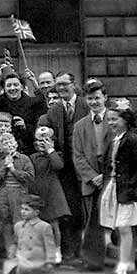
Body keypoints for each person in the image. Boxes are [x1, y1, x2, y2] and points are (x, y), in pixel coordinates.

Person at [99, 98, 137, 274]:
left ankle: (122, 267)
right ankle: (127, 264)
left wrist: (131, 184)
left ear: (126, 120)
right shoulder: (115, 140)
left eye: (115, 119)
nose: (111, 123)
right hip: (116, 189)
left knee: (124, 228)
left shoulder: (133, 140)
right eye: (110, 119)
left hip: (128, 192)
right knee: (121, 228)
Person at [39, 72, 89, 262]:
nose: (61, 88)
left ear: (74, 84)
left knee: (88, 210)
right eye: (58, 85)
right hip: (65, 168)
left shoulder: (86, 105)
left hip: (86, 166)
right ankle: (70, 251)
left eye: (64, 84)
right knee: (69, 210)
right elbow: (45, 130)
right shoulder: (55, 110)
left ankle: (89, 251)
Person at [72, 79, 113, 271]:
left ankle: (116, 258)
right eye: (90, 99)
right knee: (92, 221)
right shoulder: (80, 126)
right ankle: (92, 261)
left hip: (111, 176)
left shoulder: (114, 121)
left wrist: (106, 176)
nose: (94, 102)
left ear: (105, 98)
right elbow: (78, 155)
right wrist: (92, 176)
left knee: (114, 219)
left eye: (97, 98)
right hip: (91, 179)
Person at [29, 126, 71, 264]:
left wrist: (50, 150)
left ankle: (57, 251)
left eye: (46, 140)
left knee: (53, 225)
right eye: (39, 140)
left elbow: (58, 166)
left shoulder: (56, 155)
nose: (42, 143)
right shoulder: (32, 157)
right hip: (37, 192)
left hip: (52, 193)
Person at [0, 133, 34, 254]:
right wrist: (5, 167)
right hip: (3, 194)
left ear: (16, 144)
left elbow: (30, 177)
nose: (9, 145)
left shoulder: (24, 159)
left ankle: (21, 251)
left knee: (19, 222)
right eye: (5, 143)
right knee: (5, 222)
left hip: (19, 193)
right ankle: (10, 251)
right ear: (0, 147)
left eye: (11, 142)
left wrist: (13, 170)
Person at [3, 195, 56, 274]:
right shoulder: (18, 226)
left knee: (24, 268)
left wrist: (50, 261)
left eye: (27, 210)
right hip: (20, 258)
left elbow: (50, 246)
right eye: (22, 209)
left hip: (36, 259)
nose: (23, 212)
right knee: (8, 265)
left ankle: (40, 268)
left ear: (36, 213)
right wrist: (11, 254)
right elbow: (15, 242)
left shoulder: (44, 226)